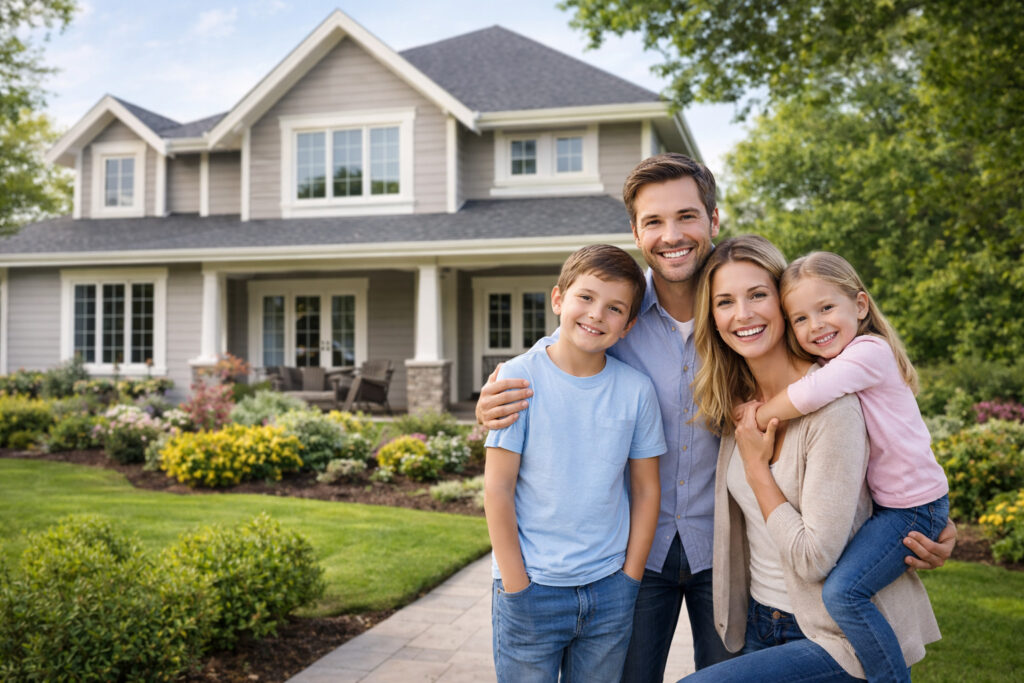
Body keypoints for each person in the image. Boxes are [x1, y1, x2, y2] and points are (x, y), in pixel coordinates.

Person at [476, 153, 955, 680]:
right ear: (636, 231)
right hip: (635, 554)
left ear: (714, 220)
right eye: (653, 221)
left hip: (728, 556)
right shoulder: (619, 314)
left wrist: (923, 512)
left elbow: (872, 414)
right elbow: (570, 341)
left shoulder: (750, 321)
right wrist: (506, 385)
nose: (671, 234)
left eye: (686, 216)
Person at [682, 235, 940, 682]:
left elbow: (815, 557)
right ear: (713, 319)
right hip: (760, 622)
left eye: (758, 295)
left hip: (835, 635)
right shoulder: (736, 405)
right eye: (724, 302)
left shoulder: (832, 406)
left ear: (782, 306)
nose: (742, 313)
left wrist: (757, 469)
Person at [484, 244, 665, 682]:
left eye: (614, 307)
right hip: (532, 588)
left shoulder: (636, 390)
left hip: (609, 589)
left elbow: (645, 488)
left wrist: (629, 579)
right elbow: (497, 489)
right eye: (586, 298)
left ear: (628, 326)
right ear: (558, 299)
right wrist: (516, 584)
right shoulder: (518, 379)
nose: (597, 314)